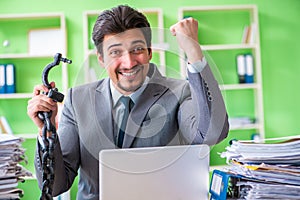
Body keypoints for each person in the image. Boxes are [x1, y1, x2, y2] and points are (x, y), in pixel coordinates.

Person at [27, 4, 229, 200]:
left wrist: (194, 52)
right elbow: (55, 187)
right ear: (101, 58)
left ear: (149, 52)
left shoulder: (179, 92)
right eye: (115, 52)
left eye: (137, 49)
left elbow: (211, 133)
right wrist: (47, 130)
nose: (129, 62)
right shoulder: (77, 100)